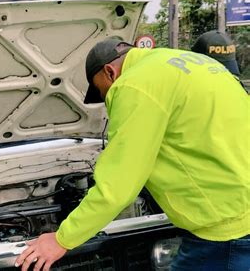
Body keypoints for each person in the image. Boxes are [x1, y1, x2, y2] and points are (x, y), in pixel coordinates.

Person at [16, 38, 249, 271]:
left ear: (110, 72)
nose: (107, 100)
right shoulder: (191, 62)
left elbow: (118, 186)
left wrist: (61, 239)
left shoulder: (134, 84)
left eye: (102, 92)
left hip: (227, 231)